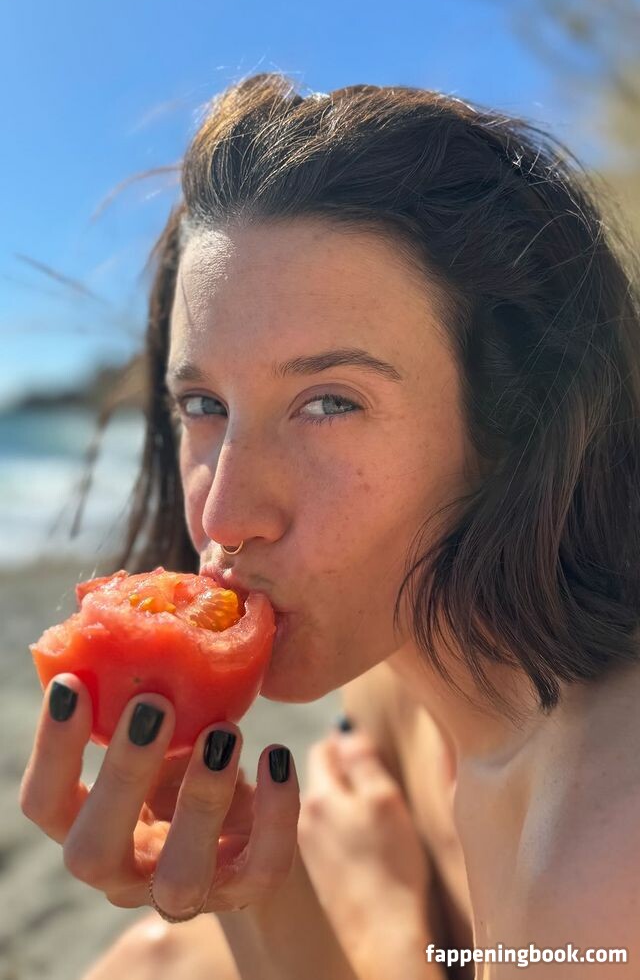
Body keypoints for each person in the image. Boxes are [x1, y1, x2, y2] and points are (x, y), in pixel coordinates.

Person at [20, 73, 640, 979]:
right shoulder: (396, 693)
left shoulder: (599, 865)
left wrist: (393, 941)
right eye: (203, 404)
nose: (225, 517)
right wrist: (250, 890)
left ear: (516, 420)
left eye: (329, 402)